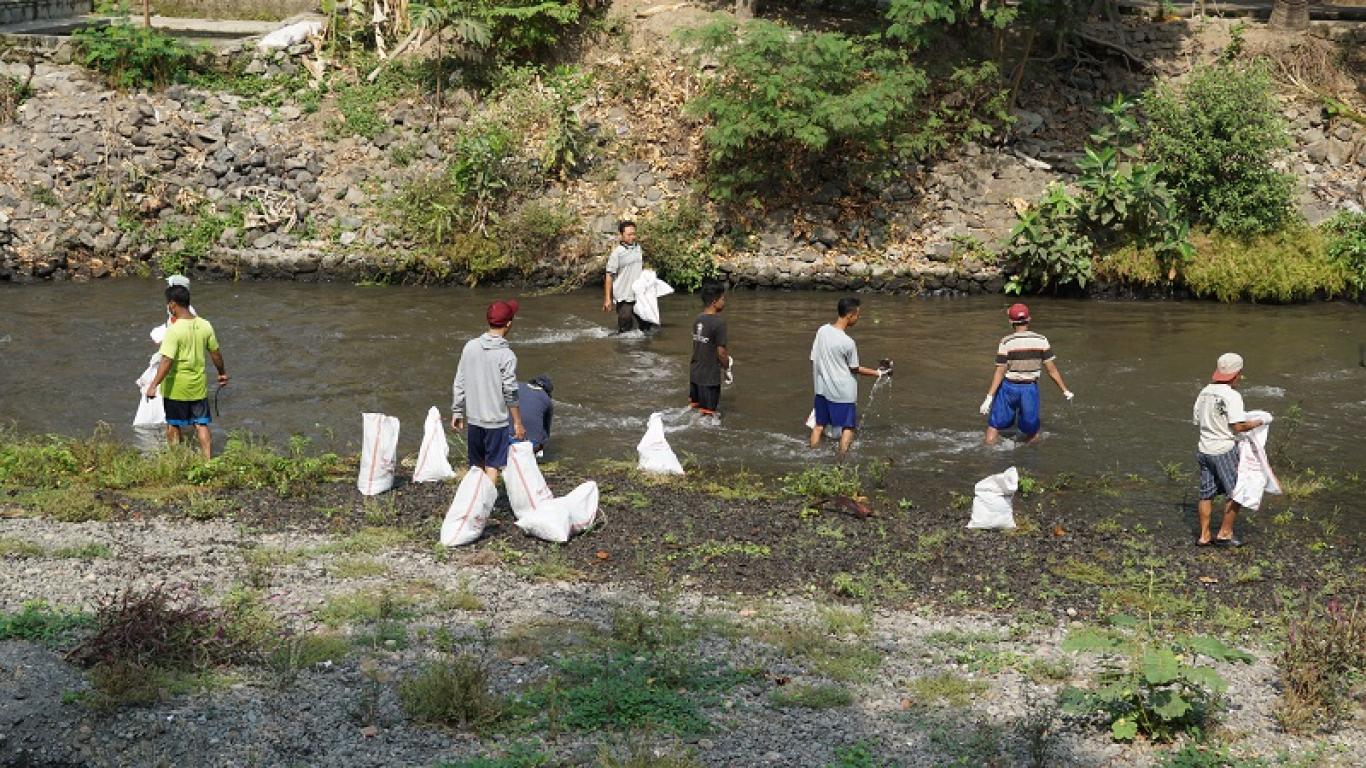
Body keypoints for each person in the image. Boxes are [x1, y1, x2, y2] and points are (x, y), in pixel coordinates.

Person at [143, 285, 228, 459]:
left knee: (174, 425)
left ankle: (177, 460)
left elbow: (167, 360)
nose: (168, 307)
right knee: (202, 424)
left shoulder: (173, 330)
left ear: (173, 304)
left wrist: (153, 385)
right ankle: (208, 461)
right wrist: (221, 373)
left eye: (168, 304)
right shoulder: (205, 325)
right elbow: (215, 353)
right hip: (198, 386)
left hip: (176, 389)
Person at [1192, 353, 1263, 547]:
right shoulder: (1232, 396)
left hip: (1204, 449)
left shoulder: (1204, 391)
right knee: (1237, 492)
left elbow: (1198, 419)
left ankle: (1204, 536)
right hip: (1223, 450)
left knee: (1206, 493)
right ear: (1236, 374)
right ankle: (1225, 533)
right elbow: (1238, 427)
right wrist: (1259, 422)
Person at [451, 299, 526, 482]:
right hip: (496, 422)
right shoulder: (507, 355)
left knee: (476, 466)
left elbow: (459, 381)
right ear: (509, 324)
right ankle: (487, 507)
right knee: (492, 466)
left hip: (475, 420)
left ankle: (476, 501)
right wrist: (517, 422)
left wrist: (457, 411)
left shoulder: (470, 346)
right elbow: (510, 391)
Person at [979, 303, 1073, 445]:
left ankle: (989, 458)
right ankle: (1028, 462)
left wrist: (989, 397)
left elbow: (999, 371)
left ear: (1011, 322)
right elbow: (1052, 370)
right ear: (1029, 319)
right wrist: (1065, 390)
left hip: (1008, 388)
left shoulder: (1006, 342)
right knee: (1032, 431)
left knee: (994, 426)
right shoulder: (1041, 340)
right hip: (1029, 389)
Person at [808, 297, 887, 455]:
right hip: (842, 393)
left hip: (822, 390)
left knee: (819, 425)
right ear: (850, 315)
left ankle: (812, 455)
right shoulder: (848, 342)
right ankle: (842, 461)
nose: (858, 318)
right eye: (858, 315)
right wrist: (878, 373)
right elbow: (855, 369)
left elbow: (813, 358)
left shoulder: (822, 330)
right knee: (848, 427)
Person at [602, 221, 653, 335]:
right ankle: (622, 348)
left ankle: (643, 348)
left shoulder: (638, 248)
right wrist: (607, 299)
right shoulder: (617, 253)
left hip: (639, 294)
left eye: (634, 234)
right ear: (621, 235)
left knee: (647, 325)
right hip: (623, 296)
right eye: (629, 234)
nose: (632, 237)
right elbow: (609, 275)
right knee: (625, 327)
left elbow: (638, 267)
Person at [689, 281, 730, 417]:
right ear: (714, 301)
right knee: (708, 416)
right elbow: (721, 352)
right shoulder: (719, 323)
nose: (724, 302)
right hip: (709, 378)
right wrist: (727, 367)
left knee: (694, 411)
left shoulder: (697, 319)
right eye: (722, 299)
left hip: (695, 375)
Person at [515, 375, 554, 457]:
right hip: (531, 445)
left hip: (506, 437)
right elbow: (546, 432)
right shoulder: (547, 400)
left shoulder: (517, 386)